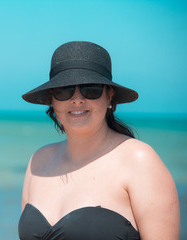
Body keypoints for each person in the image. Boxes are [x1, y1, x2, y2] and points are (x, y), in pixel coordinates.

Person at [18, 41, 180, 240]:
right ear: (52, 99)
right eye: (64, 90)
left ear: (110, 96)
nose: (77, 99)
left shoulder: (140, 161)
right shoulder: (39, 160)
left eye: (91, 89)